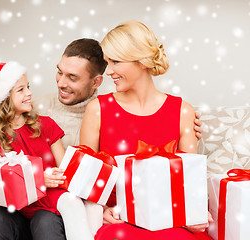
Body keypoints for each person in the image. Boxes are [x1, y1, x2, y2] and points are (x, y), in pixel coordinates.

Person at [79, 21, 213, 240]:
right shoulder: (97, 110)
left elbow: (188, 182)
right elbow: (86, 180)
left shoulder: (183, 112)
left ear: (142, 61)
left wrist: (195, 215)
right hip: (121, 220)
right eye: (107, 62)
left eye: (116, 61)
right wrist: (100, 210)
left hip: (170, 221)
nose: (109, 71)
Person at [0, 61, 102, 240]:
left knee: (46, 221)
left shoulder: (46, 125)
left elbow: (64, 171)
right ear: (2, 98)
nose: (29, 93)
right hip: (17, 209)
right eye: (20, 90)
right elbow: (4, 176)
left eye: (28, 87)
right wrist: (39, 179)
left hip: (48, 208)